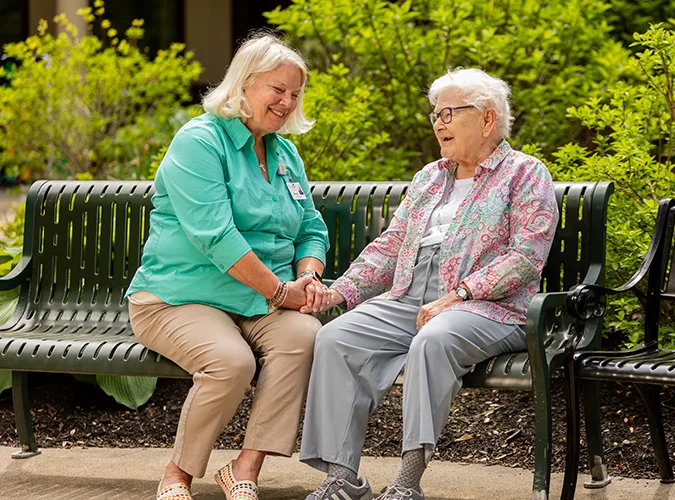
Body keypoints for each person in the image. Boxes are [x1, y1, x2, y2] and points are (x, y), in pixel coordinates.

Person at [299, 68, 559, 500]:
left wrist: (460, 293)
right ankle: (341, 478)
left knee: (432, 340)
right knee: (336, 337)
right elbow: (393, 243)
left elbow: (526, 257)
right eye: (435, 114)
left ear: (487, 119)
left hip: (489, 306)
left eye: (449, 113)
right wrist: (341, 290)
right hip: (410, 296)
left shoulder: (525, 174)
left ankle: (406, 482)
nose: (438, 123)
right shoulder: (429, 177)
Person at [126, 32, 329, 500]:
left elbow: (310, 227)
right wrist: (281, 293)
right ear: (244, 82)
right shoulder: (200, 141)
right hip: (179, 297)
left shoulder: (283, 152)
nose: (287, 101)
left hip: (257, 299)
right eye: (277, 89)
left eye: (295, 93)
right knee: (230, 362)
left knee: (306, 338)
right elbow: (216, 236)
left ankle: (243, 469)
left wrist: (309, 275)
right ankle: (178, 473)